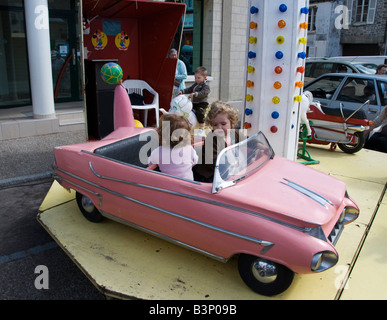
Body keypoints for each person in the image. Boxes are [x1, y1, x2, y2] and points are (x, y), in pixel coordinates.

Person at [193, 101, 243, 182]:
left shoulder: (234, 134)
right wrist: (232, 162)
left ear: (232, 122)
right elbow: (214, 160)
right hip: (209, 176)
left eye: (223, 124)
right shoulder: (211, 139)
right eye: (215, 125)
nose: (219, 127)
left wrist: (258, 145)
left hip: (227, 171)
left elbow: (249, 141)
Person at [148, 114, 198, 180]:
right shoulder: (189, 149)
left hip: (169, 187)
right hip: (188, 186)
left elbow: (150, 163)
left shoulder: (159, 151)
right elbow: (195, 161)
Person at [178, 66, 211, 135]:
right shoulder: (196, 84)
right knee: (187, 111)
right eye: (195, 78)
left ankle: (202, 127)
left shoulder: (205, 86)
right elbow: (189, 89)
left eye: (199, 78)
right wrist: (182, 91)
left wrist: (195, 94)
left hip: (202, 103)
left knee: (200, 112)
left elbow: (204, 93)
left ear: (204, 77)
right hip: (194, 103)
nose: (196, 79)